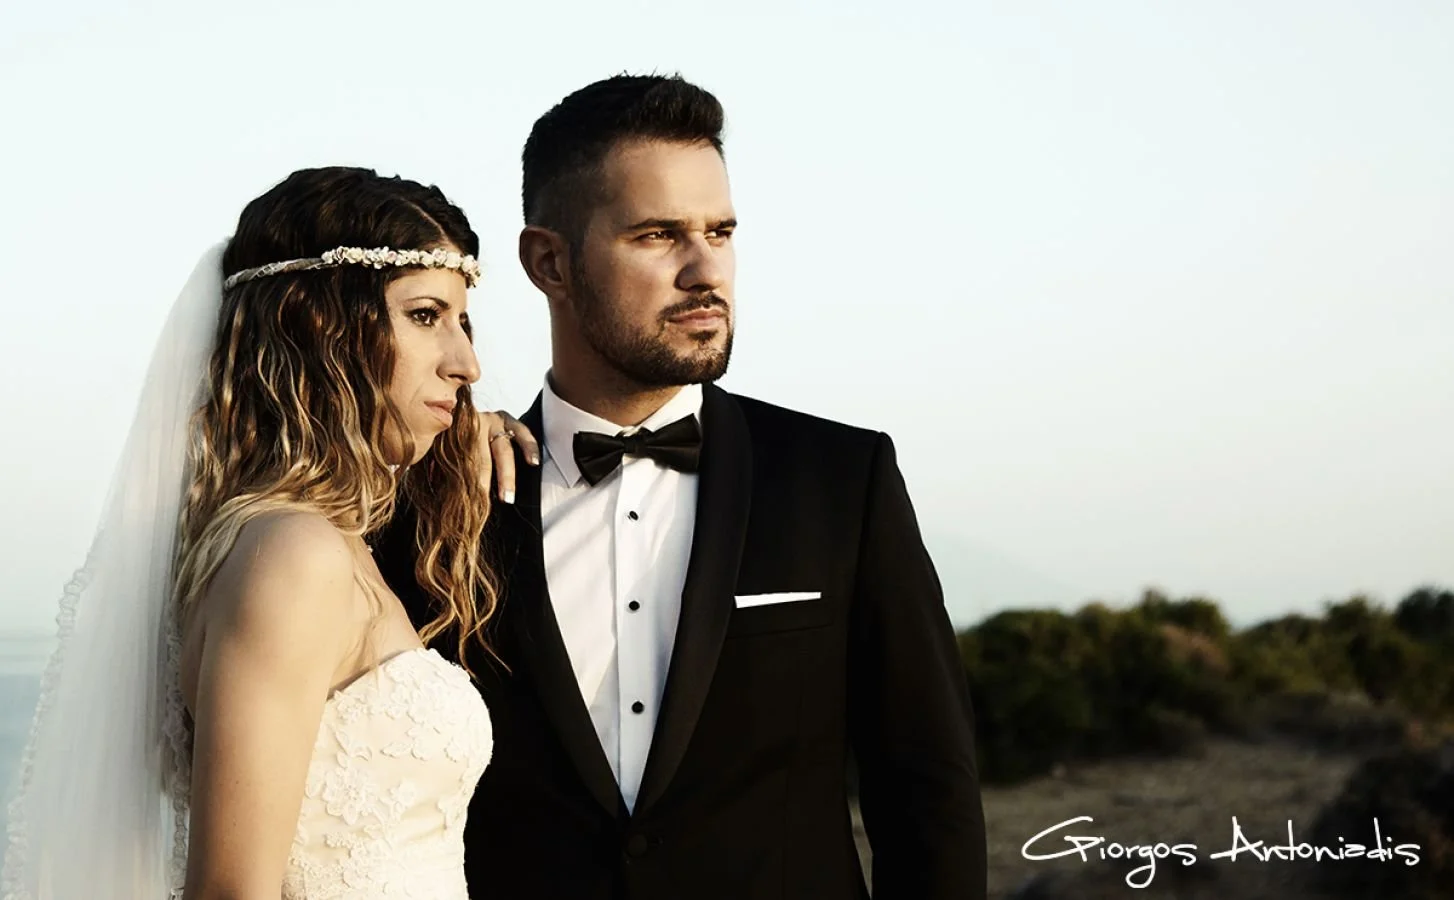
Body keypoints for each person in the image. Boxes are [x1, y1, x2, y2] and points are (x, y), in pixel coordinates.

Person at [377, 74, 988, 899]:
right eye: (659, 235)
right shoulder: (438, 502)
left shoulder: (843, 479)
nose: (706, 270)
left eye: (721, 231)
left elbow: (927, 794)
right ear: (549, 261)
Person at [2, 166, 536, 900]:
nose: (466, 362)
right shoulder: (294, 556)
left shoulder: (308, 540)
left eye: (462, 322)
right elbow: (230, 890)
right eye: (424, 315)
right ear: (319, 326)